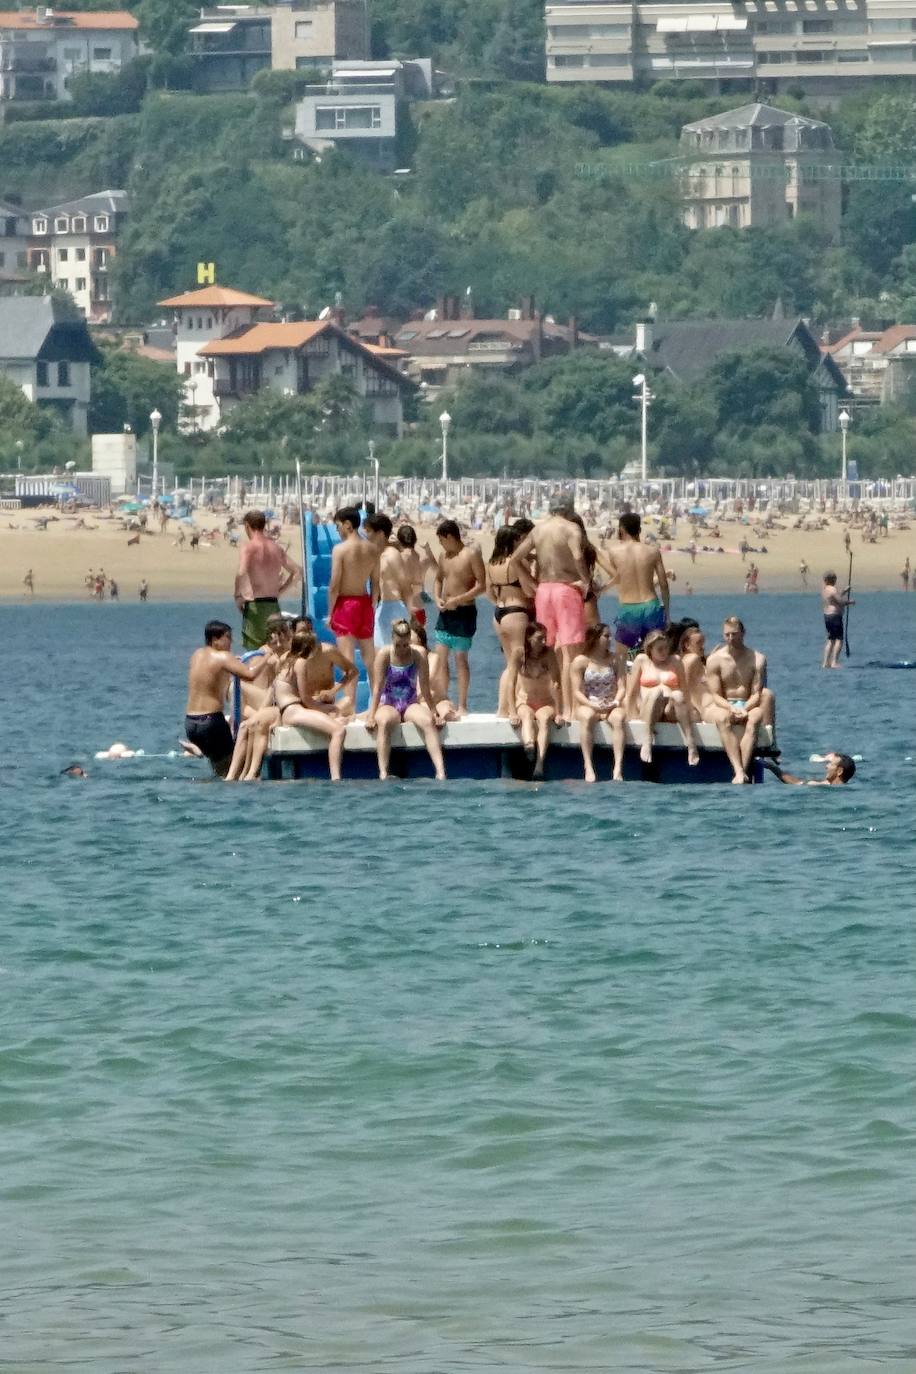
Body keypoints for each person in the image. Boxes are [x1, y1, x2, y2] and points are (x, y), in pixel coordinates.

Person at [508, 502, 590, 722]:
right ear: (568, 509)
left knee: (548, 649)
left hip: (544, 590)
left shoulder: (539, 529)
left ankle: (550, 704)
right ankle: (569, 709)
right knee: (571, 653)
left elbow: (515, 558)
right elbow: (578, 557)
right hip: (566, 589)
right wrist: (586, 581)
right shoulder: (571, 529)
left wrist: (532, 583)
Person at [184, 620, 270, 777]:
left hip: (190, 724)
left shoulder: (197, 654)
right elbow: (249, 675)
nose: (231, 641)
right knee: (234, 768)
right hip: (211, 723)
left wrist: (232, 662)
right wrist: (266, 658)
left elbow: (212, 673)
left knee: (219, 767)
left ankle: (199, 751)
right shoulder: (224, 657)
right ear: (215, 640)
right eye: (228, 637)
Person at [366, 618, 446, 781]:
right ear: (392, 640)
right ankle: (383, 772)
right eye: (398, 645)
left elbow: (424, 688)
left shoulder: (418, 654)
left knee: (427, 721)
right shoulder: (384, 654)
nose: (402, 649)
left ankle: (440, 771)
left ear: (409, 640)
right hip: (389, 702)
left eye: (405, 645)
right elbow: (377, 688)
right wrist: (371, 715)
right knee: (384, 722)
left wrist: (434, 712)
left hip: (410, 701)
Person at [270, 627, 348, 781]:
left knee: (336, 717)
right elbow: (306, 699)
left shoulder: (286, 661)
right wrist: (329, 708)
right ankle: (336, 777)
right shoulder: (301, 663)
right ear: (308, 647)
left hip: (287, 710)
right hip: (294, 710)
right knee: (338, 730)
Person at [706, 617, 774, 778]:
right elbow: (715, 695)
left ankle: (741, 771)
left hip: (748, 703)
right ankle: (738, 770)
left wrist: (744, 709)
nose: (730, 638)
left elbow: (756, 693)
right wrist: (731, 708)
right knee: (723, 719)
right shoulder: (715, 660)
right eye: (727, 635)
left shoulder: (757, 659)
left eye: (734, 634)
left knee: (755, 717)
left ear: (743, 633)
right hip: (723, 704)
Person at [680, 624, 748, 784]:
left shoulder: (702, 662)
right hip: (709, 708)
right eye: (698, 644)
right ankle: (739, 770)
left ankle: (742, 767)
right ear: (687, 645)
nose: (702, 647)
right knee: (724, 719)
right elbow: (685, 689)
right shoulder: (691, 659)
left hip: (721, 704)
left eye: (703, 643)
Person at [432, 519, 486, 717]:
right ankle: (444, 699)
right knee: (441, 658)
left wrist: (459, 599)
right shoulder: (443, 556)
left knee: (460, 660)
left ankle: (463, 704)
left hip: (464, 613)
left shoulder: (470, 554)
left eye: (441, 540)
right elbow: (438, 579)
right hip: (445, 612)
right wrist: (437, 597)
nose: (441, 545)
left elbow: (482, 585)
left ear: (450, 537)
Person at [328, 506, 380, 709]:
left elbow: (334, 585)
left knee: (347, 658)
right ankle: (378, 700)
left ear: (348, 525)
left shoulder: (340, 549)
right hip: (365, 602)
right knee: (370, 657)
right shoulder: (372, 549)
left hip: (346, 604)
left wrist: (330, 612)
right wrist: (373, 605)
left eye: (338, 525)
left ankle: (349, 704)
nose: (337, 530)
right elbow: (376, 582)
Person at [626, 628, 699, 767]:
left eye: (666, 648)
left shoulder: (676, 661)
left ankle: (691, 743)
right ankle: (647, 740)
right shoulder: (642, 660)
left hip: (670, 709)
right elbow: (632, 692)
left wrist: (690, 710)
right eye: (660, 649)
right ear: (650, 649)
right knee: (656, 692)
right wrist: (631, 714)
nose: (664, 652)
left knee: (677, 694)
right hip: (649, 708)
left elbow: (684, 689)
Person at [602, 512, 670, 661]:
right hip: (651, 604)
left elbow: (617, 578)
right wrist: (667, 612)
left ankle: (625, 683)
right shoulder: (652, 551)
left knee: (623, 656)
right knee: (655, 654)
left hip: (629, 607)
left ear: (621, 529)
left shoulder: (613, 552)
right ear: (639, 530)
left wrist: (601, 589)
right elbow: (664, 584)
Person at [234, 509, 302, 650]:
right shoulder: (275, 547)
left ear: (247, 526)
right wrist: (281, 591)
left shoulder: (248, 547)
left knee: (255, 651)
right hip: (273, 604)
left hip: (255, 605)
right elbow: (297, 572)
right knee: (276, 649)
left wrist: (239, 596)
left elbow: (242, 572)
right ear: (264, 525)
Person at [487, 525, 536, 717]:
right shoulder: (517, 562)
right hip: (517, 611)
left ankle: (502, 709)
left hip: (499, 611)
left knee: (509, 664)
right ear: (512, 541)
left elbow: (489, 592)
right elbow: (529, 589)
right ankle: (515, 706)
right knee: (519, 661)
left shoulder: (491, 563)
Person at [571, 622, 626, 783]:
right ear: (595, 638)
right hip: (589, 703)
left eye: (610, 636)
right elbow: (576, 691)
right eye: (606, 636)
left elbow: (622, 687)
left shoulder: (616, 659)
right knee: (587, 718)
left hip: (610, 703)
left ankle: (617, 767)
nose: (609, 640)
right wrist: (591, 705)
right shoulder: (581, 661)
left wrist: (615, 703)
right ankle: (588, 766)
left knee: (618, 719)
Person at [510, 620, 561, 779]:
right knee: (526, 715)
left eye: (545, 638)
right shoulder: (519, 654)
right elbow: (510, 684)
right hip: (525, 700)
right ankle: (529, 744)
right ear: (528, 638)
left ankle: (539, 765)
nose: (543, 642)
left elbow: (556, 683)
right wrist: (512, 711)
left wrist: (559, 712)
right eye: (539, 638)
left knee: (544, 719)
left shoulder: (549, 654)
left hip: (546, 702)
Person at [369, 513, 413, 648]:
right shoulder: (377, 555)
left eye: (370, 531)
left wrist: (410, 613)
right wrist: (372, 610)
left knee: (393, 654)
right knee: (379, 654)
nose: (367, 535)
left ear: (381, 533)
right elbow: (376, 586)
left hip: (395, 607)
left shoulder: (392, 555)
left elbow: (405, 584)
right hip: (382, 607)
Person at [396, 524, 437, 626]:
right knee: (418, 641)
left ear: (399, 541)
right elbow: (438, 570)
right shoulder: (422, 560)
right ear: (415, 540)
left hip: (402, 610)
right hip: (418, 610)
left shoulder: (398, 558)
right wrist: (428, 550)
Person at [821, 571, 853, 669]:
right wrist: (850, 602)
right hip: (835, 616)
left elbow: (834, 598)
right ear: (833, 579)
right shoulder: (833, 589)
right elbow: (839, 601)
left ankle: (825, 663)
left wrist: (844, 591)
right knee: (839, 639)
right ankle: (834, 662)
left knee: (831, 640)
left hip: (827, 616)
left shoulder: (825, 590)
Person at [764, 752, 856, 786]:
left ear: (839, 771)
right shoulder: (826, 784)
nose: (826, 766)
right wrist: (774, 768)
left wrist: (773, 768)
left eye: (830, 764)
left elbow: (797, 783)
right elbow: (798, 782)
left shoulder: (824, 787)